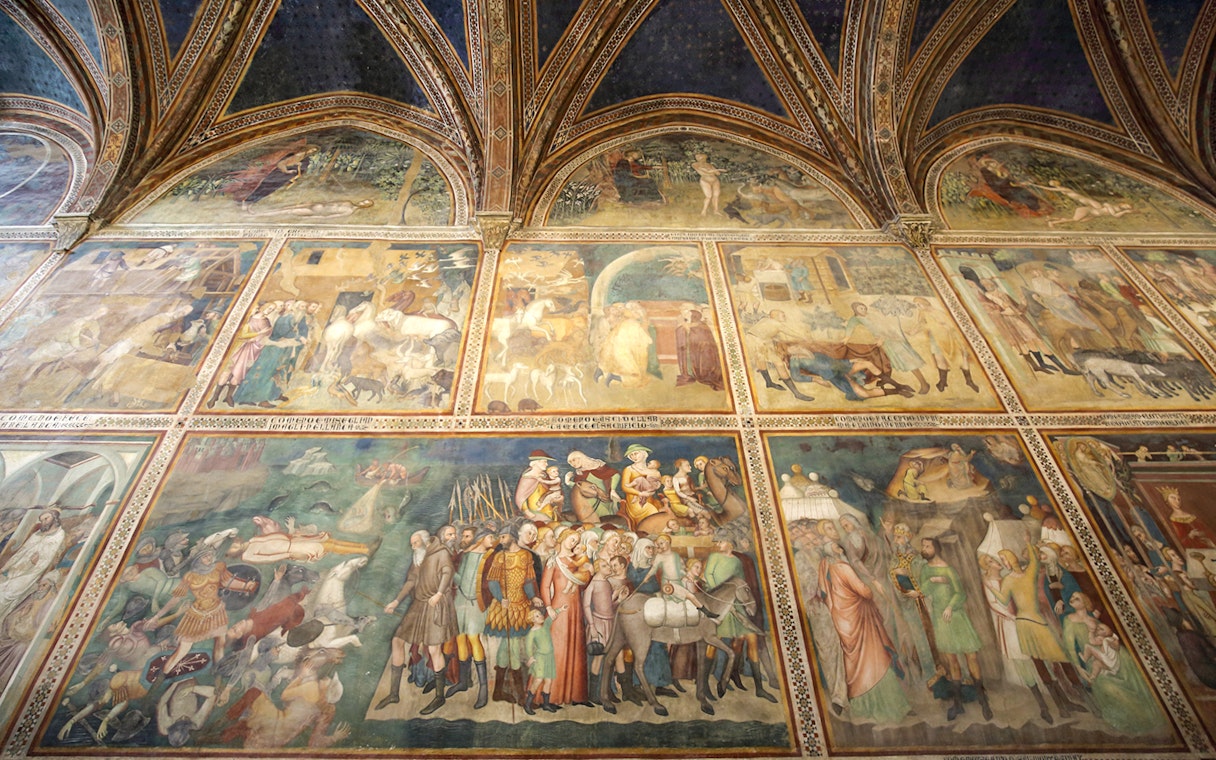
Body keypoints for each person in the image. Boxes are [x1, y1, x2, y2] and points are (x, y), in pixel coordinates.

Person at [818, 541, 910, 723]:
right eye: (838, 547)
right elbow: (864, 591)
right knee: (874, 658)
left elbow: (825, 593)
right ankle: (891, 705)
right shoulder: (843, 568)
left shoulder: (827, 570)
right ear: (835, 552)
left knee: (853, 662)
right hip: (859, 618)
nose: (842, 548)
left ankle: (862, 706)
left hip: (841, 618)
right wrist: (871, 589)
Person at [377, 528, 458, 715]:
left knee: (433, 649)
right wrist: (396, 601)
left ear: (425, 540)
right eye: (411, 544)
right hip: (419, 604)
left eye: (415, 543)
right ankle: (394, 693)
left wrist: (439, 594)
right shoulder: (418, 558)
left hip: (435, 604)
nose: (413, 547)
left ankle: (439, 697)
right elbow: (411, 581)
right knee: (397, 641)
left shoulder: (440, 552)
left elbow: (448, 572)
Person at [913, 538, 991, 720]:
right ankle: (957, 705)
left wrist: (949, 602)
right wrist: (932, 581)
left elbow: (961, 594)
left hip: (956, 617)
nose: (924, 549)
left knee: (971, 657)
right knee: (952, 660)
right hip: (941, 620)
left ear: (936, 548)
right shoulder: (925, 570)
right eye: (923, 546)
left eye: (927, 546)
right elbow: (923, 590)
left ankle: (983, 701)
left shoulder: (949, 569)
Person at [484, 520, 542, 705]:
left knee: (506, 648)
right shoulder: (499, 556)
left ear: (512, 536)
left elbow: (528, 581)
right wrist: (501, 598)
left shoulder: (526, 556)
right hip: (505, 607)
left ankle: (498, 692)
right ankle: (521, 696)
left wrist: (533, 597)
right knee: (514, 647)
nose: (500, 540)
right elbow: (492, 581)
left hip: (521, 605)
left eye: (503, 536)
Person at [539, 527, 591, 706]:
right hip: (559, 608)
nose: (574, 542)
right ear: (563, 538)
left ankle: (576, 696)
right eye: (572, 539)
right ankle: (553, 696)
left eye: (577, 540)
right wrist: (548, 607)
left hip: (575, 608)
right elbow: (545, 587)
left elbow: (583, 583)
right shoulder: (553, 561)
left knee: (576, 648)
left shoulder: (577, 561)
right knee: (557, 650)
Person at [449, 528, 494, 708]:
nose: (493, 539)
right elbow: (459, 579)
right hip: (461, 599)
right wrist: (450, 571)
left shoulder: (491, 557)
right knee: (460, 638)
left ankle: (483, 688)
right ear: (481, 538)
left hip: (477, 602)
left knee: (474, 638)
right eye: (490, 537)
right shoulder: (466, 556)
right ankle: (463, 680)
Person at [0, 510, 66, 622]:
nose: (43, 522)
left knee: (8, 594)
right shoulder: (37, 534)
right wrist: (5, 567)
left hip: (32, 573)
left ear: (54, 519)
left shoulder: (59, 535)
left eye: (46, 518)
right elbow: (22, 551)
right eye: (42, 520)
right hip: (17, 568)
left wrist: (35, 563)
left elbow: (50, 558)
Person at [523, 605, 563, 714]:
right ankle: (527, 704)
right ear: (532, 620)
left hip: (549, 657)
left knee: (548, 680)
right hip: (540, 658)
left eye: (540, 614)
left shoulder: (545, 625)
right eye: (537, 616)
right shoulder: (532, 632)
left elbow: (550, 617)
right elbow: (528, 646)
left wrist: (560, 609)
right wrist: (530, 657)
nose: (540, 616)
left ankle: (546, 704)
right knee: (538, 680)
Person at [674, 307, 724, 391]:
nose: (686, 316)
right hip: (691, 351)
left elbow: (700, 337)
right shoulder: (690, 324)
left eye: (689, 315)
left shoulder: (702, 326)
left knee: (702, 365)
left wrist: (687, 329)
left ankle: (703, 374)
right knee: (690, 362)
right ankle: (690, 374)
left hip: (703, 353)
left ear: (694, 316)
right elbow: (683, 330)